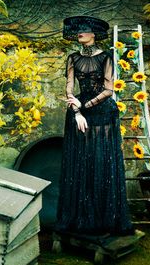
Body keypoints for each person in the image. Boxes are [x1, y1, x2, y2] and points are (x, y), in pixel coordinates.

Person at [55, 16, 134, 236]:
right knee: (81, 161)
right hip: (79, 113)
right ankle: (81, 219)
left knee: (101, 160)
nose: (80, 32)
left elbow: (109, 90)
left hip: (103, 112)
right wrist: (78, 112)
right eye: (78, 29)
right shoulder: (72, 58)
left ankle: (105, 219)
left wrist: (86, 105)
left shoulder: (106, 58)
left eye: (85, 29)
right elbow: (69, 89)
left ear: (94, 34)